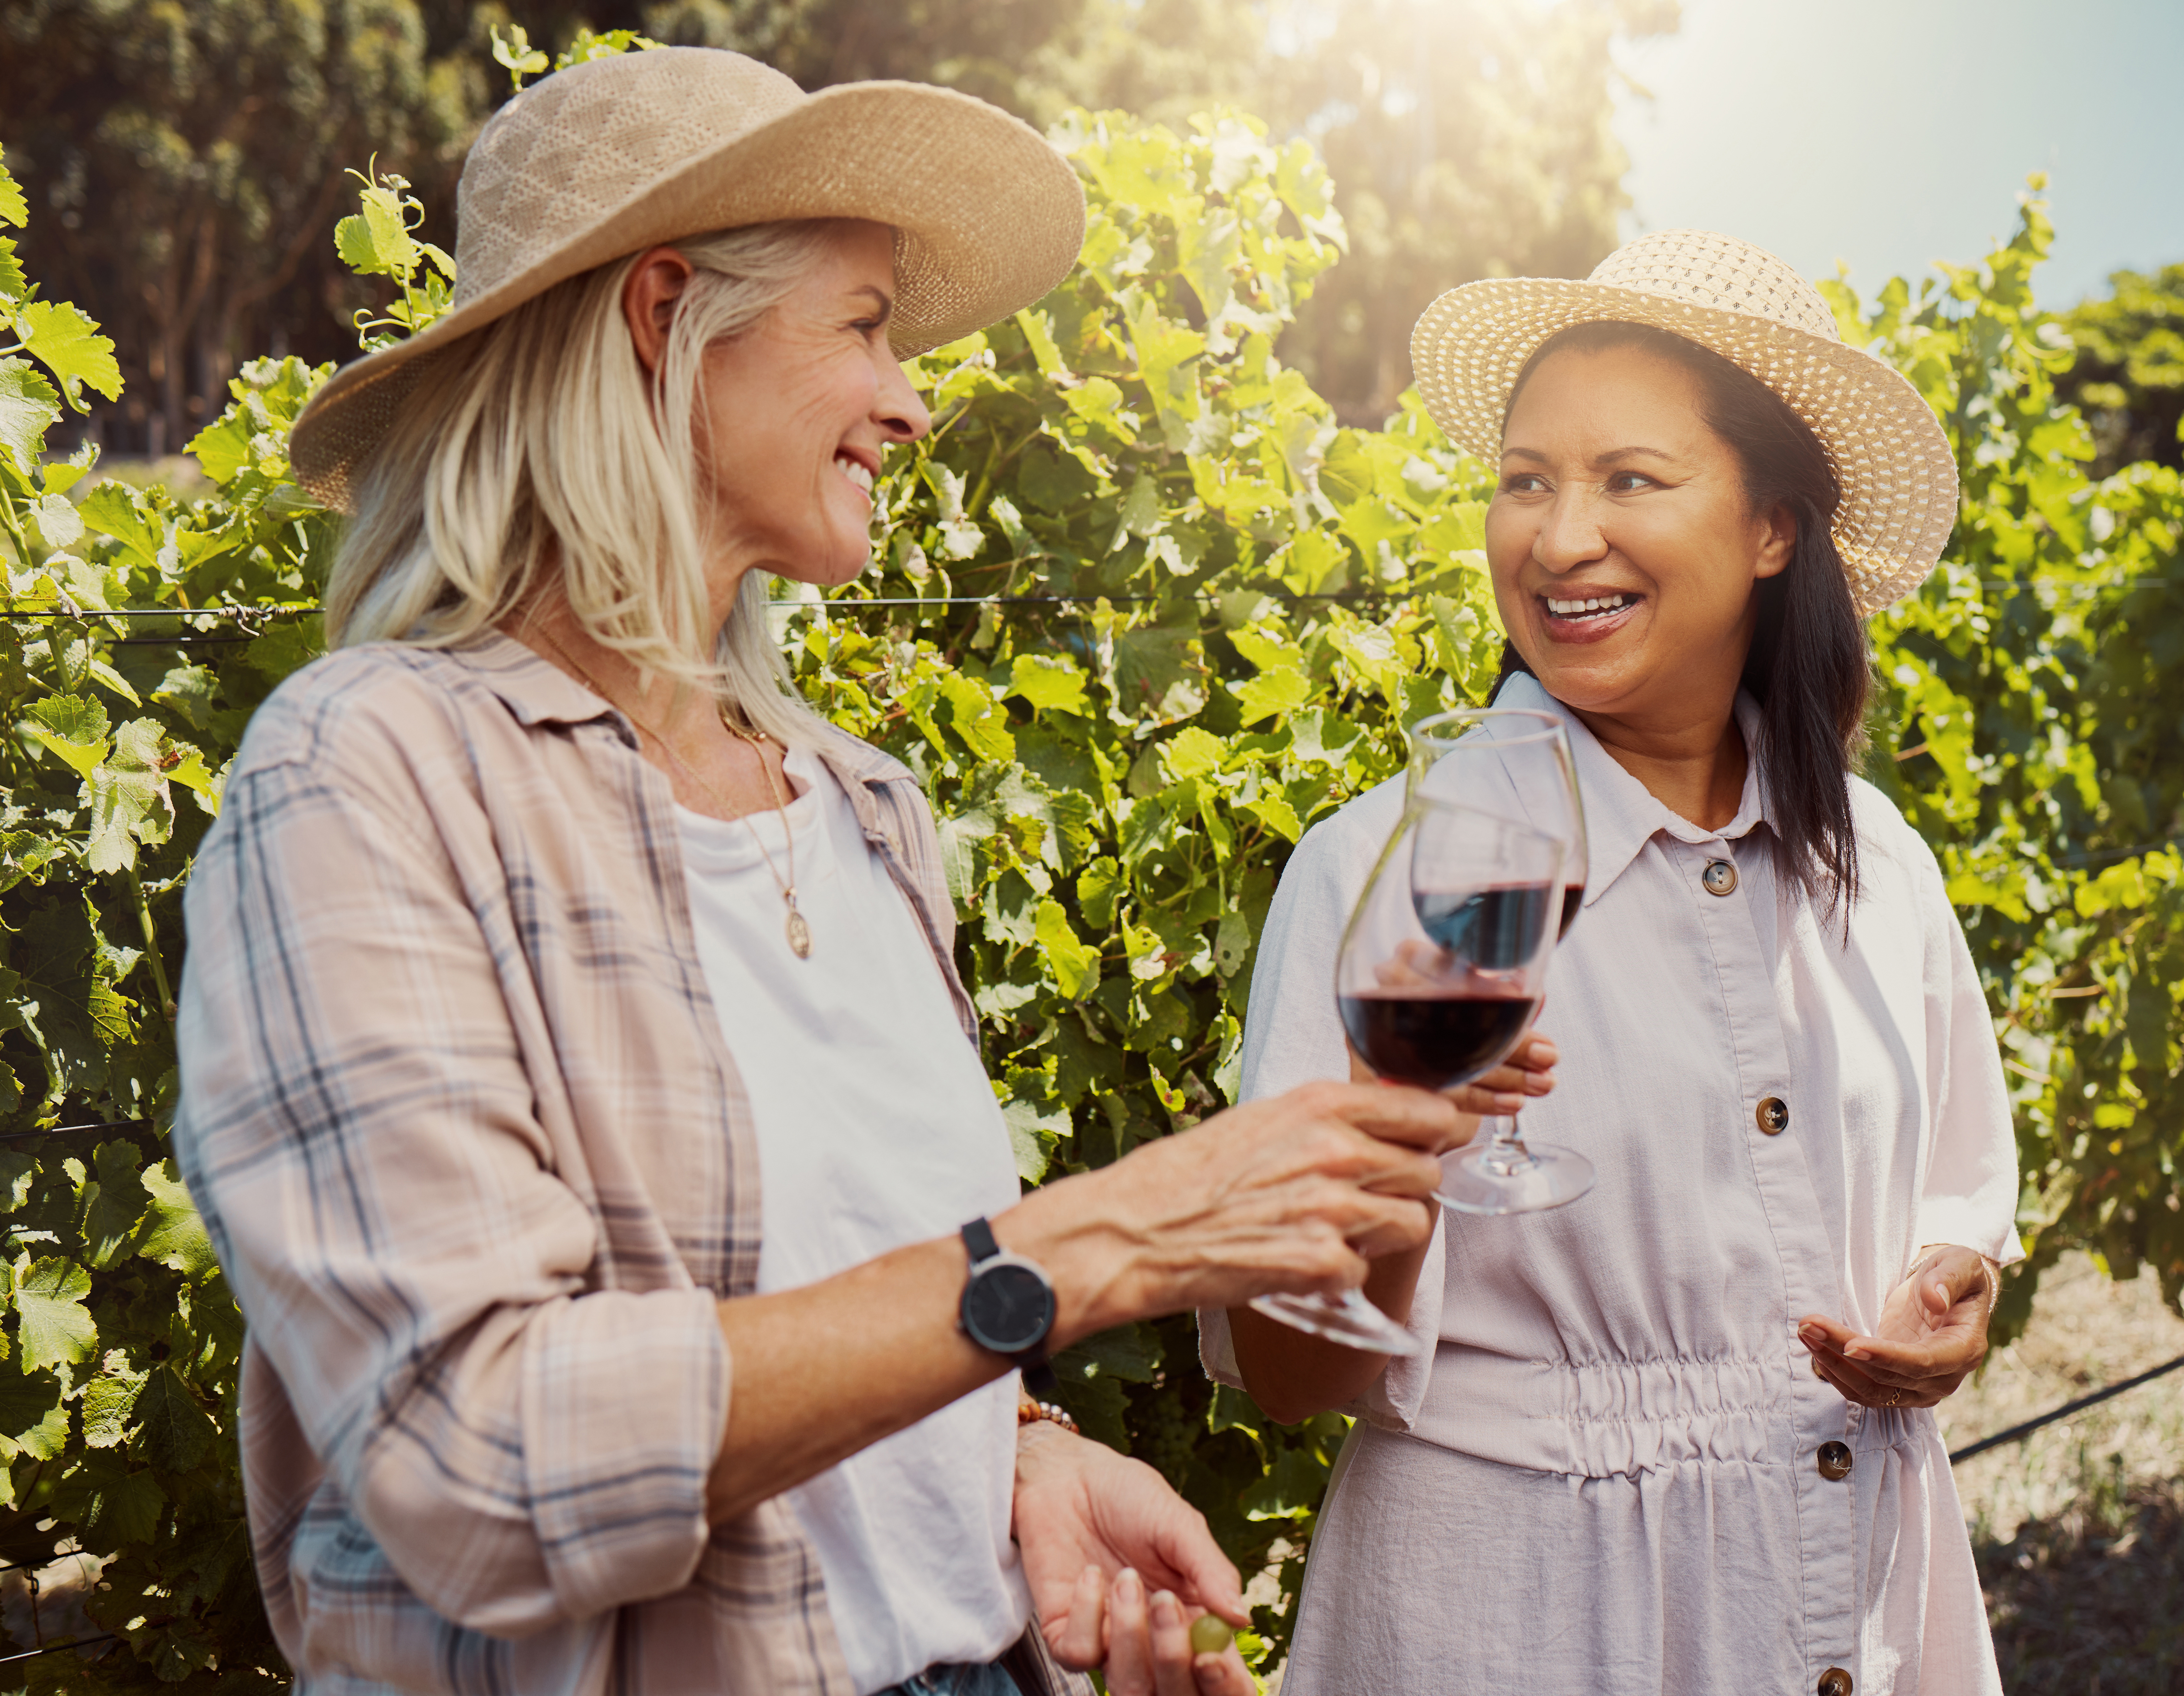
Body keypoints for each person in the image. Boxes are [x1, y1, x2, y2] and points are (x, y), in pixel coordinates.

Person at [170, 49, 1469, 1696]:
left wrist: (1016, 1459)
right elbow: (475, 1459)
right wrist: (1094, 1244)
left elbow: (849, 1293)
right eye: (861, 323)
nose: (910, 398)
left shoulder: (860, 808)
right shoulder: (370, 769)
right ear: (661, 317)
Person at [1203, 230, 2022, 1696]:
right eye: (1526, 479)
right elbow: (1291, 1377)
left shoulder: (1876, 861)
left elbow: (1960, 1194)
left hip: (1865, 1595)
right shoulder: (1395, 870)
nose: (1557, 536)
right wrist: (1396, 1162)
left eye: (1628, 480)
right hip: (1516, 1625)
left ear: (1773, 526)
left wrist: (1950, 1298)